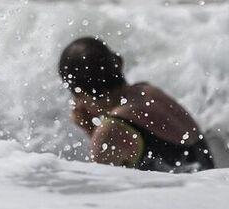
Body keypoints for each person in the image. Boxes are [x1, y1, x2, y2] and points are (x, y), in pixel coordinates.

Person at [59, 37, 216, 173]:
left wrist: (90, 129)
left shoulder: (112, 131)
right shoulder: (148, 92)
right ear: (119, 63)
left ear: (80, 93)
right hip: (204, 189)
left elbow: (102, 192)